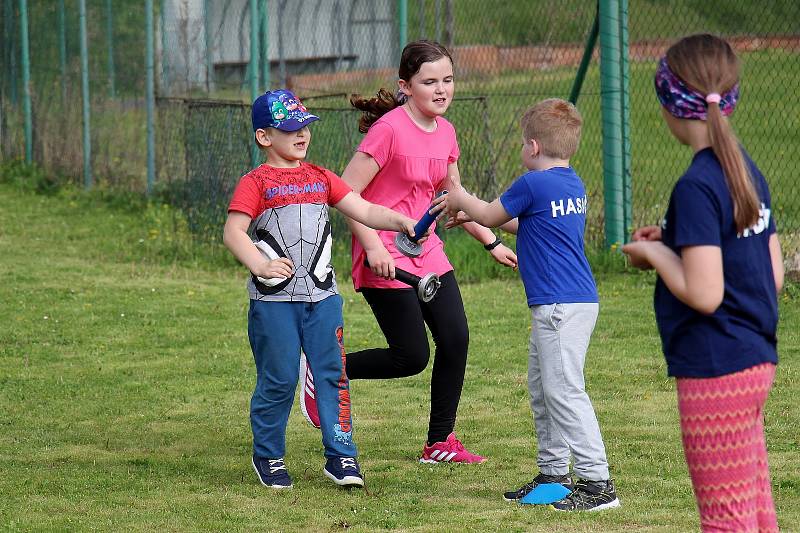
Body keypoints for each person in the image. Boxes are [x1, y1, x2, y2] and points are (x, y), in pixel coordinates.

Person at [299, 40, 518, 463]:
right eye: (429, 81)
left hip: (426, 249)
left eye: (448, 80)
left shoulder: (448, 132)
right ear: (406, 86)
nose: (441, 90)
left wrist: (490, 240)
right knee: (411, 356)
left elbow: (452, 197)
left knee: (456, 339)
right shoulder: (389, 131)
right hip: (382, 251)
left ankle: (439, 443)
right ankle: (326, 366)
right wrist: (369, 247)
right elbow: (346, 195)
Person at [622, 34, 782, 531]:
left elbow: (706, 294)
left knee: (725, 519)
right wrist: (674, 242)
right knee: (754, 507)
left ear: (671, 105)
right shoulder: (745, 171)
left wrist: (654, 254)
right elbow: (771, 274)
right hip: (754, 360)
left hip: (716, 370)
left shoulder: (696, 184)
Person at [223, 89, 422, 490]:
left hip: (323, 300)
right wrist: (260, 265)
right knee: (278, 379)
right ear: (265, 137)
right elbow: (233, 232)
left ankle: (342, 456)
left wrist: (399, 221)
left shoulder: (321, 178)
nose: (302, 135)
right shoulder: (255, 182)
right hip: (274, 303)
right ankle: (269, 456)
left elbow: (362, 209)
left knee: (334, 374)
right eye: (290, 128)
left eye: (305, 127)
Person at [434, 98, 620, 511]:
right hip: (571, 303)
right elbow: (524, 223)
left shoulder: (532, 183)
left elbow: (490, 212)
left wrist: (460, 198)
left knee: (565, 392)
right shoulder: (571, 183)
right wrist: (474, 216)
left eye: (522, 143)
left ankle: (598, 483)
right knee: (544, 389)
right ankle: (554, 475)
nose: (522, 149)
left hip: (559, 306)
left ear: (533, 147)